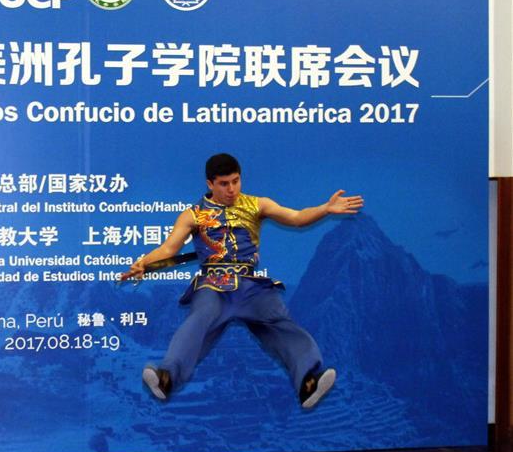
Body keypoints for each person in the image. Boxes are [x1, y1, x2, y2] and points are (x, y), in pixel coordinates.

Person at [120, 153, 363, 408]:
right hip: (213, 285)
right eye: (224, 184)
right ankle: (166, 377)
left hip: (250, 287)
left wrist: (325, 208)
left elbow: (297, 218)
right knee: (200, 318)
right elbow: (169, 249)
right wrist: (144, 263)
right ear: (210, 184)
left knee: (279, 321)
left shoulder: (258, 204)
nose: (232, 189)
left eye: (235, 181)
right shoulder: (193, 215)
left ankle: (308, 381)